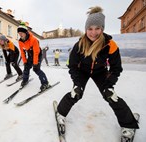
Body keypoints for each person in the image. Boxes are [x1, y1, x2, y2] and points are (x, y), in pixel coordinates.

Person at [56, 6, 139, 137]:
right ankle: (60, 112)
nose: (93, 33)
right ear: (86, 29)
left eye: (97, 28)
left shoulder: (110, 44)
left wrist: (110, 84)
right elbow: (72, 65)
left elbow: (116, 67)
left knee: (110, 95)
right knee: (76, 93)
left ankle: (128, 124)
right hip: (82, 71)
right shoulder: (79, 44)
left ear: (102, 29)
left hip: (100, 72)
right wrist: (77, 83)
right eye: (90, 29)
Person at [17, 22, 49, 91]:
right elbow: (22, 52)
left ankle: (45, 83)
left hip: (37, 55)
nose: (20, 34)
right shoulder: (20, 41)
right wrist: (25, 61)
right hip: (30, 55)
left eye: (21, 33)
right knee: (26, 67)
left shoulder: (33, 40)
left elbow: (36, 52)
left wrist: (35, 63)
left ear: (26, 32)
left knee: (36, 69)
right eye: (19, 33)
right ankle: (25, 80)